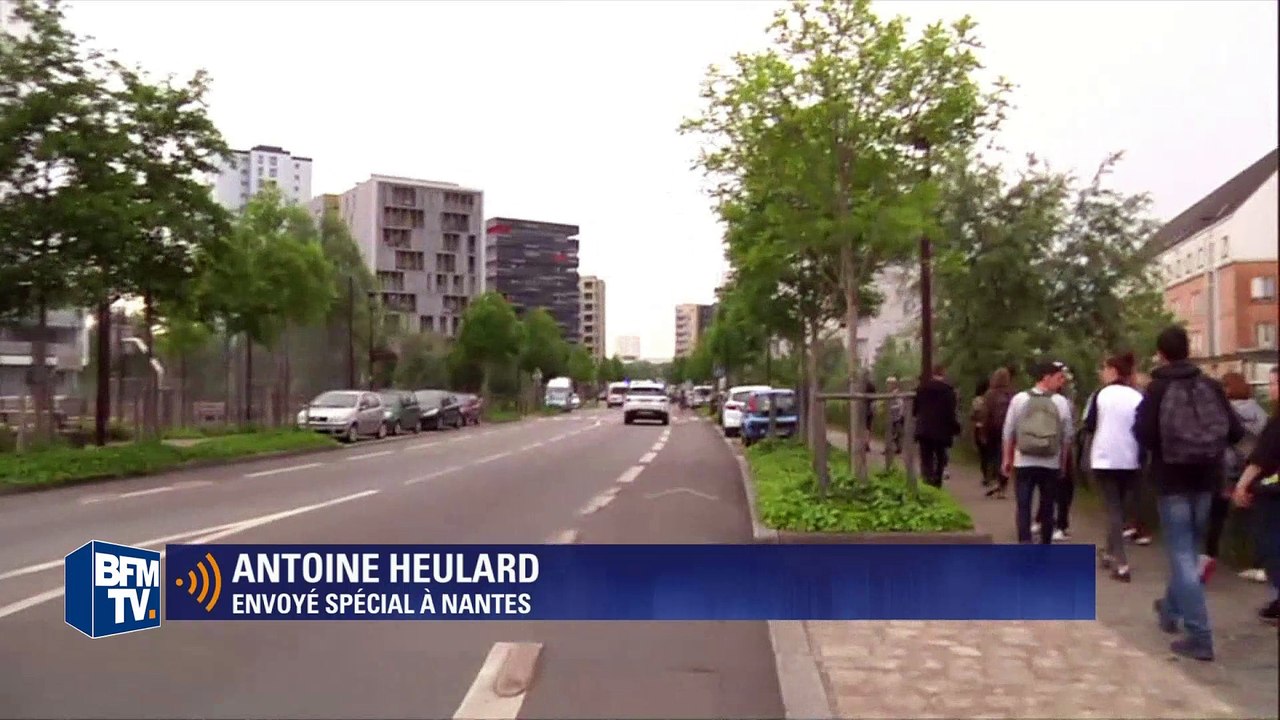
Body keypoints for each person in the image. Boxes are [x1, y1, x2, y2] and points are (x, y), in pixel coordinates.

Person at [1134, 326, 1243, 662]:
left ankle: (1200, 635)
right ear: (1188, 350)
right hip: (1207, 479)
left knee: (1181, 555)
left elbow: (1144, 433)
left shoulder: (1158, 388)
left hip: (1172, 481)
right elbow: (1235, 431)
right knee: (1189, 551)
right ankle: (1169, 610)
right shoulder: (1210, 385)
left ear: (1161, 353)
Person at [1202, 371, 1268, 585]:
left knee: (1216, 516)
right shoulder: (1260, 412)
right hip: (1252, 470)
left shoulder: (1223, 412)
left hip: (1225, 468)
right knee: (1255, 518)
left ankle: (1209, 556)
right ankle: (1259, 562)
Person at [1084, 351, 1144, 582]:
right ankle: (1109, 552)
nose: (1101, 372)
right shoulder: (1137, 396)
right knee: (1119, 506)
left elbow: (1089, 425)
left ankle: (1121, 562)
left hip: (1105, 457)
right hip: (1130, 458)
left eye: (1104, 368)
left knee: (1113, 509)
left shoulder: (1100, 395)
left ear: (1113, 371)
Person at [1002, 359, 1074, 544]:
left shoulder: (1019, 399)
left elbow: (1008, 431)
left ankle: (1025, 545)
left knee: (1023, 505)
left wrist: (1006, 459)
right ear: (1046, 377)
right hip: (1050, 462)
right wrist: (1063, 463)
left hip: (1024, 461)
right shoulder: (1061, 402)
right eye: (1059, 378)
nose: (1062, 382)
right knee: (1048, 506)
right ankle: (1045, 547)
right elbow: (1067, 437)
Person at [1230, 365, 1280, 625]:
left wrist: (1242, 485)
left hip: (1272, 492)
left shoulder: (1276, 423)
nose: (1271, 389)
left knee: (1271, 545)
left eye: (1274, 384)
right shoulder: (1267, 417)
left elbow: (1260, 458)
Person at [913, 365, 961, 487]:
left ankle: (927, 479)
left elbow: (915, 409)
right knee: (940, 456)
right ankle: (937, 481)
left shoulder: (922, 389)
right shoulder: (949, 391)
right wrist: (955, 427)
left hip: (924, 429)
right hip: (941, 429)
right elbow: (951, 412)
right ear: (943, 374)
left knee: (926, 456)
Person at [982, 367, 1016, 499]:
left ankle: (995, 479)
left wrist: (983, 431)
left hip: (993, 428)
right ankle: (1003, 485)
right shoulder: (1012, 393)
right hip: (1008, 428)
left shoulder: (990, 394)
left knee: (994, 455)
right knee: (1005, 455)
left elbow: (985, 414)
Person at [972, 379, 991, 487]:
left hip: (979, 427)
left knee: (983, 454)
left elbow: (974, 415)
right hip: (989, 428)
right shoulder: (991, 398)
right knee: (990, 452)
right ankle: (991, 475)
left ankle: (985, 475)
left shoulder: (976, 401)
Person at [886, 377, 905, 454]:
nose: (888, 385)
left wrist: (891, 407)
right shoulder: (891, 393)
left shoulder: (896, 393)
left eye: (889, 384)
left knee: (896, 433)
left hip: (898, 417)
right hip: (893, 417)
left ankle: (897, 448)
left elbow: (901, 404)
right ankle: (894, 448)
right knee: (893, 433)